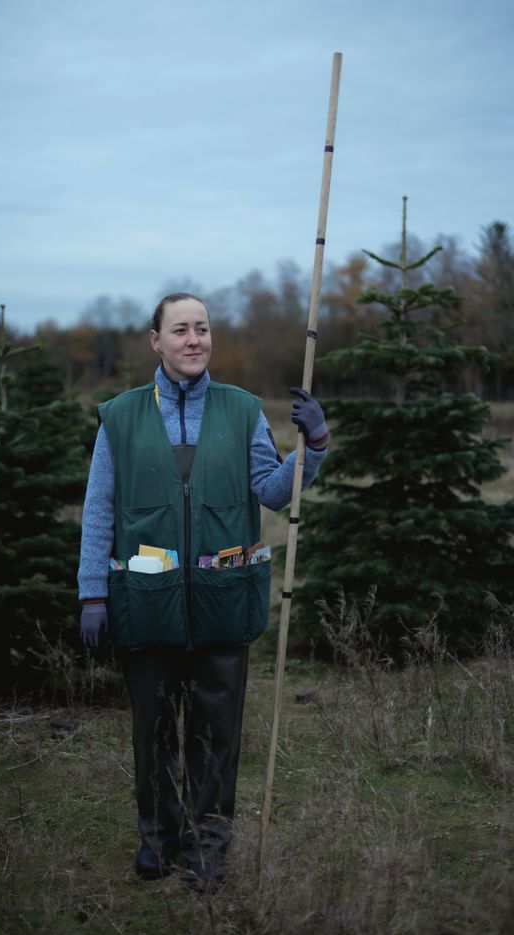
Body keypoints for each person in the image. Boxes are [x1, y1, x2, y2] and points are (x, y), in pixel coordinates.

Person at [77, 292, 327, 888]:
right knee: (154, 731)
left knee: (216, 732)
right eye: (181, 329)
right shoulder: (122, 416)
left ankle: (207, 845)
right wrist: (92, 592)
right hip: (147, 604)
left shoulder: (241, 410)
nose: (195, 340)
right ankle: (158, 839)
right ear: (155, 340)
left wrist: (311, 450)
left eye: (203, 329)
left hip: (222, 599)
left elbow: (270, 491)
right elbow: (99, 509)